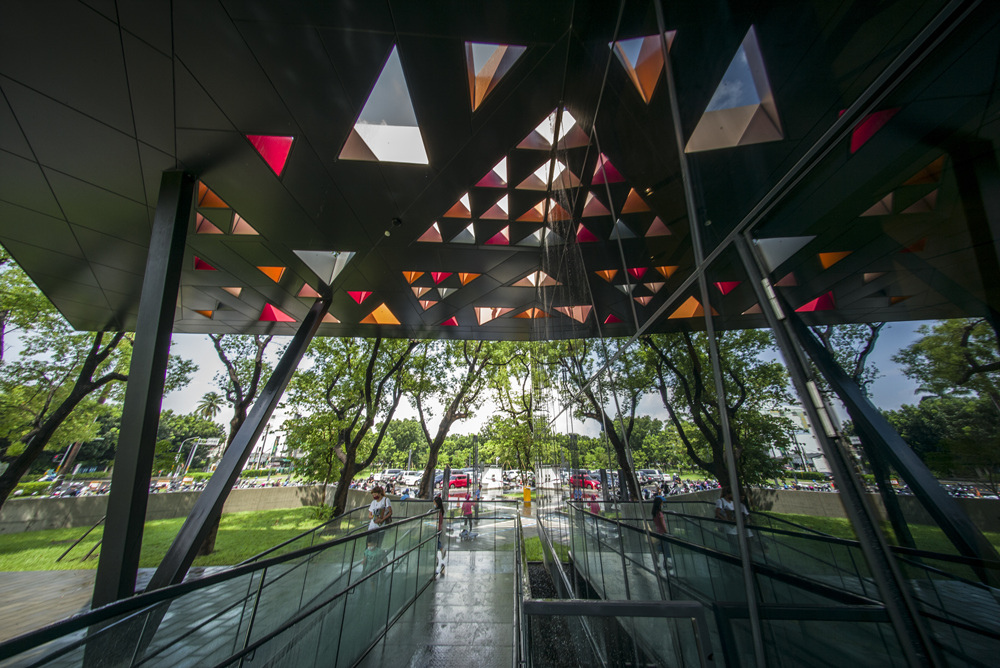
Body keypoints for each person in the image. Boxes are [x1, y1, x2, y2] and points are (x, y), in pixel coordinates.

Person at [651, 491, 674, 574]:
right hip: (663, 533)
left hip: (658, 532)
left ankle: (660, 564)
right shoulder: (659, 513)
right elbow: (662, 523)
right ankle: (667, 563)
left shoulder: (654, 513)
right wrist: (666, 531)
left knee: (661, 549)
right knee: (666, 549)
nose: (662, 504)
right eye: (661, 503)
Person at [434, 496, 446, 577]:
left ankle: (441, 550)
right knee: (436, 541)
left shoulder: (437, 512)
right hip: (439, 529)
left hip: (436, 529)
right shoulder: (440, 511)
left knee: (435, 542)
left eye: (434, 502)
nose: (433, 504)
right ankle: (441, 550)